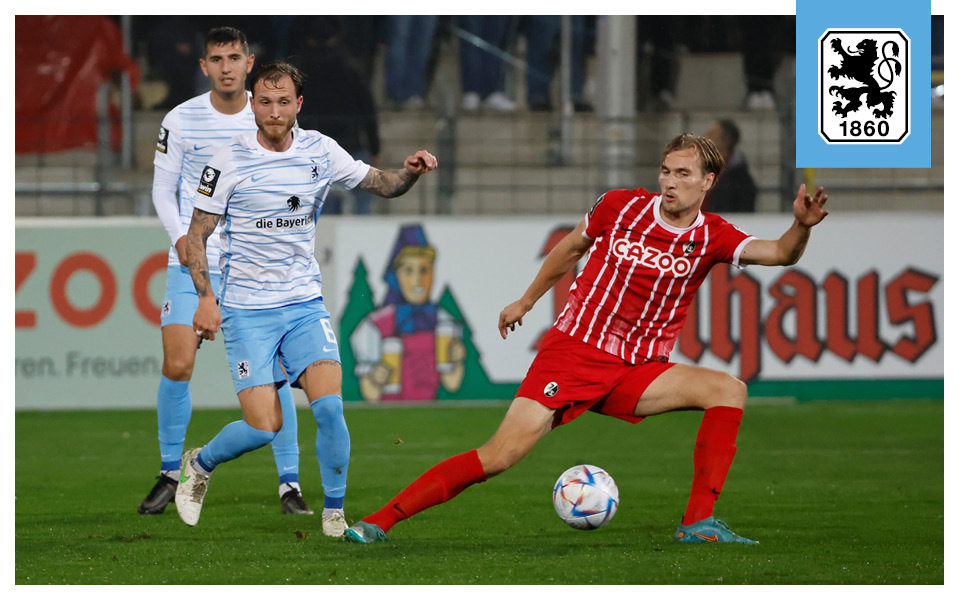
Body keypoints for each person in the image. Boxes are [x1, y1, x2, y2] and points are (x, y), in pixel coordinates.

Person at [343, 133, 828, 545]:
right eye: (665, 171)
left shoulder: (714, 236)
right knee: (500, 456)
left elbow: (783, 252)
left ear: (707, 182)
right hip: (574, 354)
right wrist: (526, 300)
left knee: (728, 389)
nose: (670, 182)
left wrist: (800, 228)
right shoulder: (619, 206)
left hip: (637, 369)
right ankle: (379, 522)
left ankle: (698, 523)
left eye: (682, 174)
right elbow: (572, 247)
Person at [174, 61, 437, 535]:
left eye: (283, 102)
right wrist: (205, 299)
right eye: (265, 101)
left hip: (302, 305)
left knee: (331, 408)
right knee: (263, 428)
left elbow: (382, 183)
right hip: (246, 310)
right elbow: (197, 236)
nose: (274, 112)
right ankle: (200, 464)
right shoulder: (225, 160)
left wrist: (411, 172)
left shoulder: (321, 150)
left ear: (299, 104)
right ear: (253, 103)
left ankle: (334, 513)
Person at [140, 27, 314, 518]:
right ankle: (171, 472)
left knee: (277, 377)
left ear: (249, 62)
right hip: (190, 258)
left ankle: (289, 484)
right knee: (178, 364)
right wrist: (181, 239)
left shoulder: (270, 113)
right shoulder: (181, 119)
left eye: (234, 57)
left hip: (253, 267)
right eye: (216, 58)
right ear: (204, 66)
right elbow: (162, 188)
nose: (226, 67)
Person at [289, 17, 381, 215]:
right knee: (361, 203)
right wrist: (375, 149)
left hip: (311, 156)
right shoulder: (351, 71)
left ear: (307, 39)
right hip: (350, 151)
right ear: (336, 38)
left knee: (322, 215)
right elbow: (368, 112)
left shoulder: (295, 75)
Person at [703, 119, 757, 213]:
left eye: (711, 135)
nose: (704, 138)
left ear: (726, 140)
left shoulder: (741, 180)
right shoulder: (702, 168)